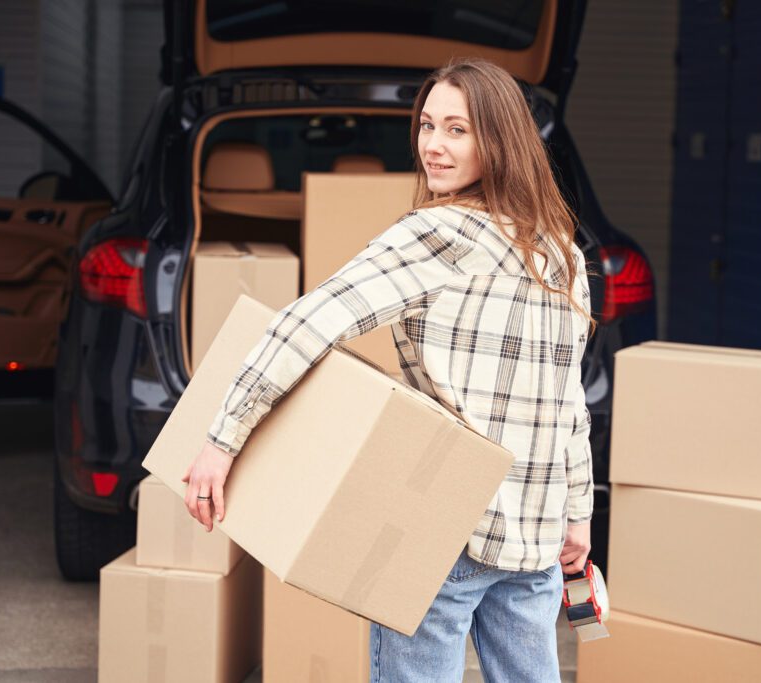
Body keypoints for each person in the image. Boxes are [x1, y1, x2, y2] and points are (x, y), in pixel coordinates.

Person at [183, 57, 597, 682]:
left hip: (449, 524)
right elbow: (570, 406)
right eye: (428, 125)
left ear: (501, 139)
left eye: (457, 130)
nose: (433, 145)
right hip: (533, 534)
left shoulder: (437, 233)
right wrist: (576, 515)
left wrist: (221, 441)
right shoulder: (561, 251)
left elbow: (304, 323)